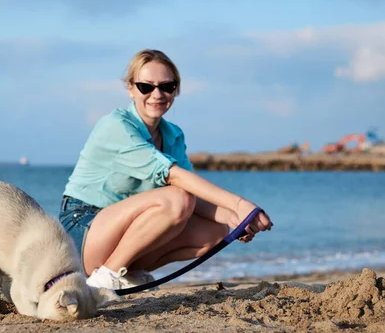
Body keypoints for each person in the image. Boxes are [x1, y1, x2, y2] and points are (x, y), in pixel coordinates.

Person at [58, 49, 273, 290]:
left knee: (215, 230)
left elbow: (195, 196)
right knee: (176, 199)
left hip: (123, 234)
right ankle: (106, 276)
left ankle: (129, 271)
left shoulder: (173, 134)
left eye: (166, 86)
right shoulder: (116, 126)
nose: (157, 94)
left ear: (176, 89)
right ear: (130, 88)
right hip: (83, 228)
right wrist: (239, 203)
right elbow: (175, 177)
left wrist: (239, 218)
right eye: (146, 87)